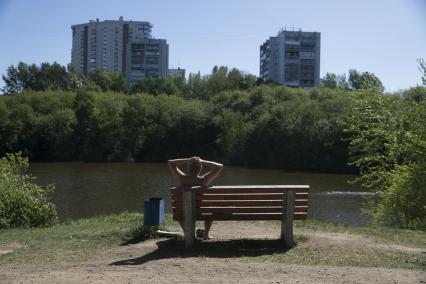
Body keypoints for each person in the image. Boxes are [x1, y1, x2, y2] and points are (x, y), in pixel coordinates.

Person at [168, 156, 223, 239]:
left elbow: (171, 163)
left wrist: (187, 159)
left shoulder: (182, 179)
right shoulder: (204, 180)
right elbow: (219, 166)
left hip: (183, 212)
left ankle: (187, 233)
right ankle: (206, 234)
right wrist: (202, 161)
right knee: (210, 210)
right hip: (201, 212)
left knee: (179, 210)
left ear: (188, 168)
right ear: (200, 169)